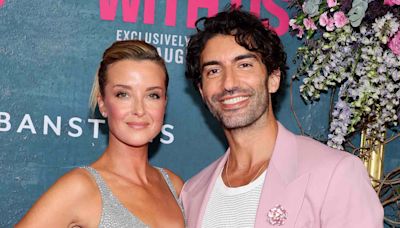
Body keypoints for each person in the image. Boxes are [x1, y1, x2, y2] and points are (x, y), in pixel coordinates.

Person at [180, 5, 383, 228]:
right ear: (201, 90)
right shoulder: (192, 194)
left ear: (273, 78)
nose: (228, 83)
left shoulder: (335, 174)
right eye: (214, 71)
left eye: (244, 65)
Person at [16, 40, 185, 228]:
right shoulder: (81, 188)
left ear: (164, 103)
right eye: (123, 94)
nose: (139, 110)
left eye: (153, 95)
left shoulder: (174, 186)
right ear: (103, 104)